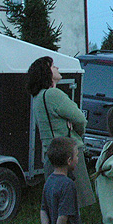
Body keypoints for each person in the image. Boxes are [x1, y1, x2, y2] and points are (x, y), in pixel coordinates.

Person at [28, 57, 95, 208]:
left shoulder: (38, 97)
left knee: (57, 206)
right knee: (72, 205)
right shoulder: (53, 94)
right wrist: (77, 135)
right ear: (46, 73)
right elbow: (80, 119)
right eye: (52, 66)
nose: (57, 67)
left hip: (51, 154)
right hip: (67, 154)